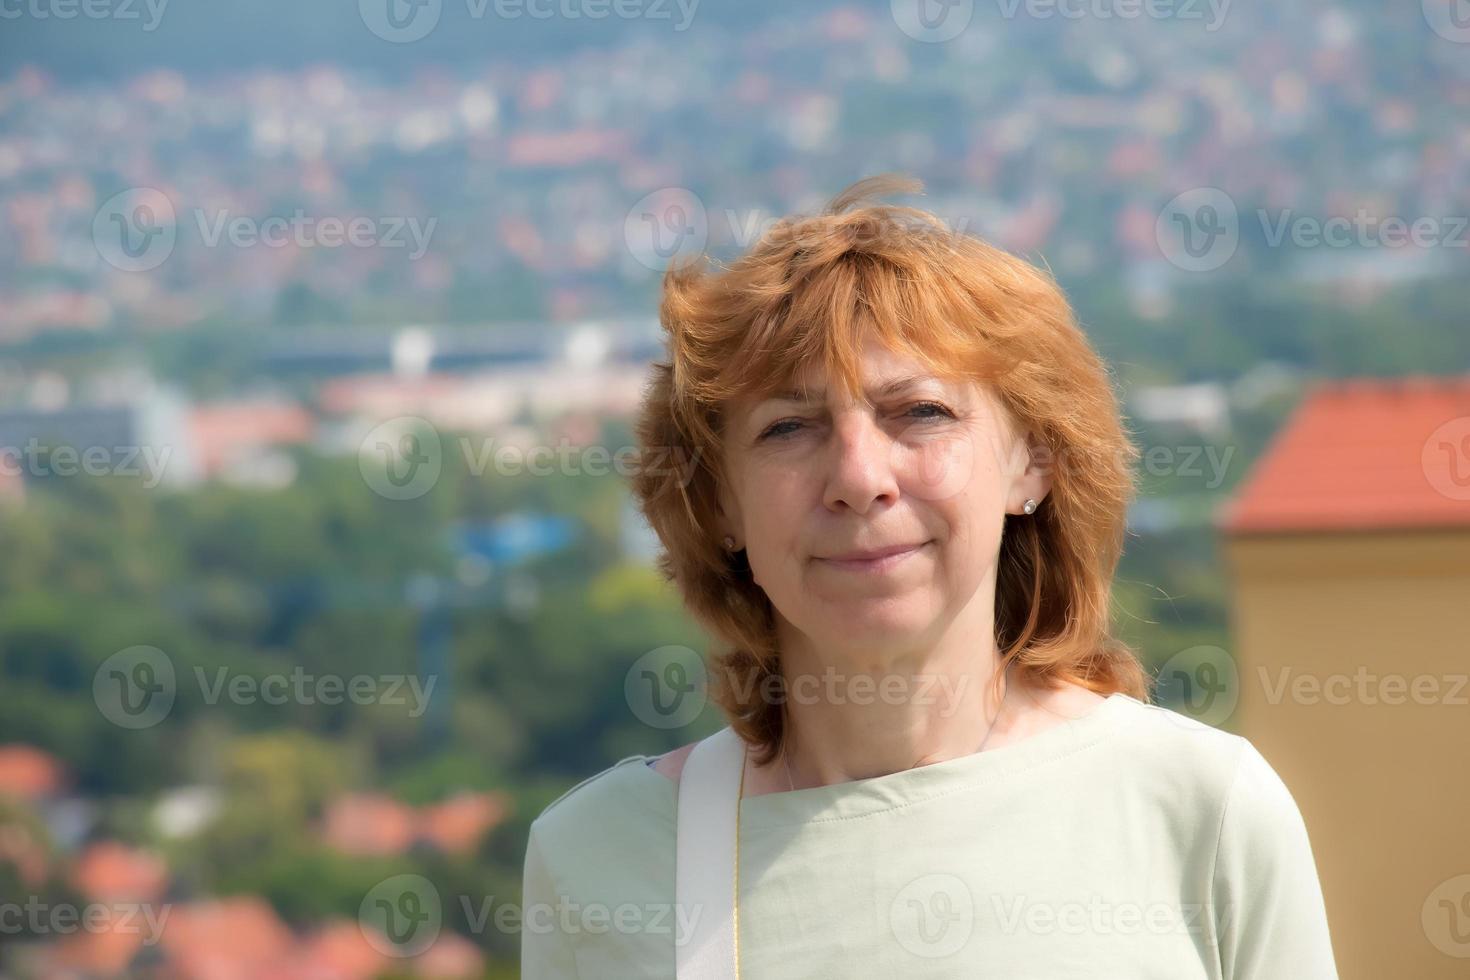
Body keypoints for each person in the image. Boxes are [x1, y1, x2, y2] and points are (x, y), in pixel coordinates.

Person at [520, 174, 1338, 978]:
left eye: (920, 412)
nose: (859, 475)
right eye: (789, 427)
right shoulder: (600, 857)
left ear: (1034, 464)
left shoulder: (1205, 810)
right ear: (720, 504)